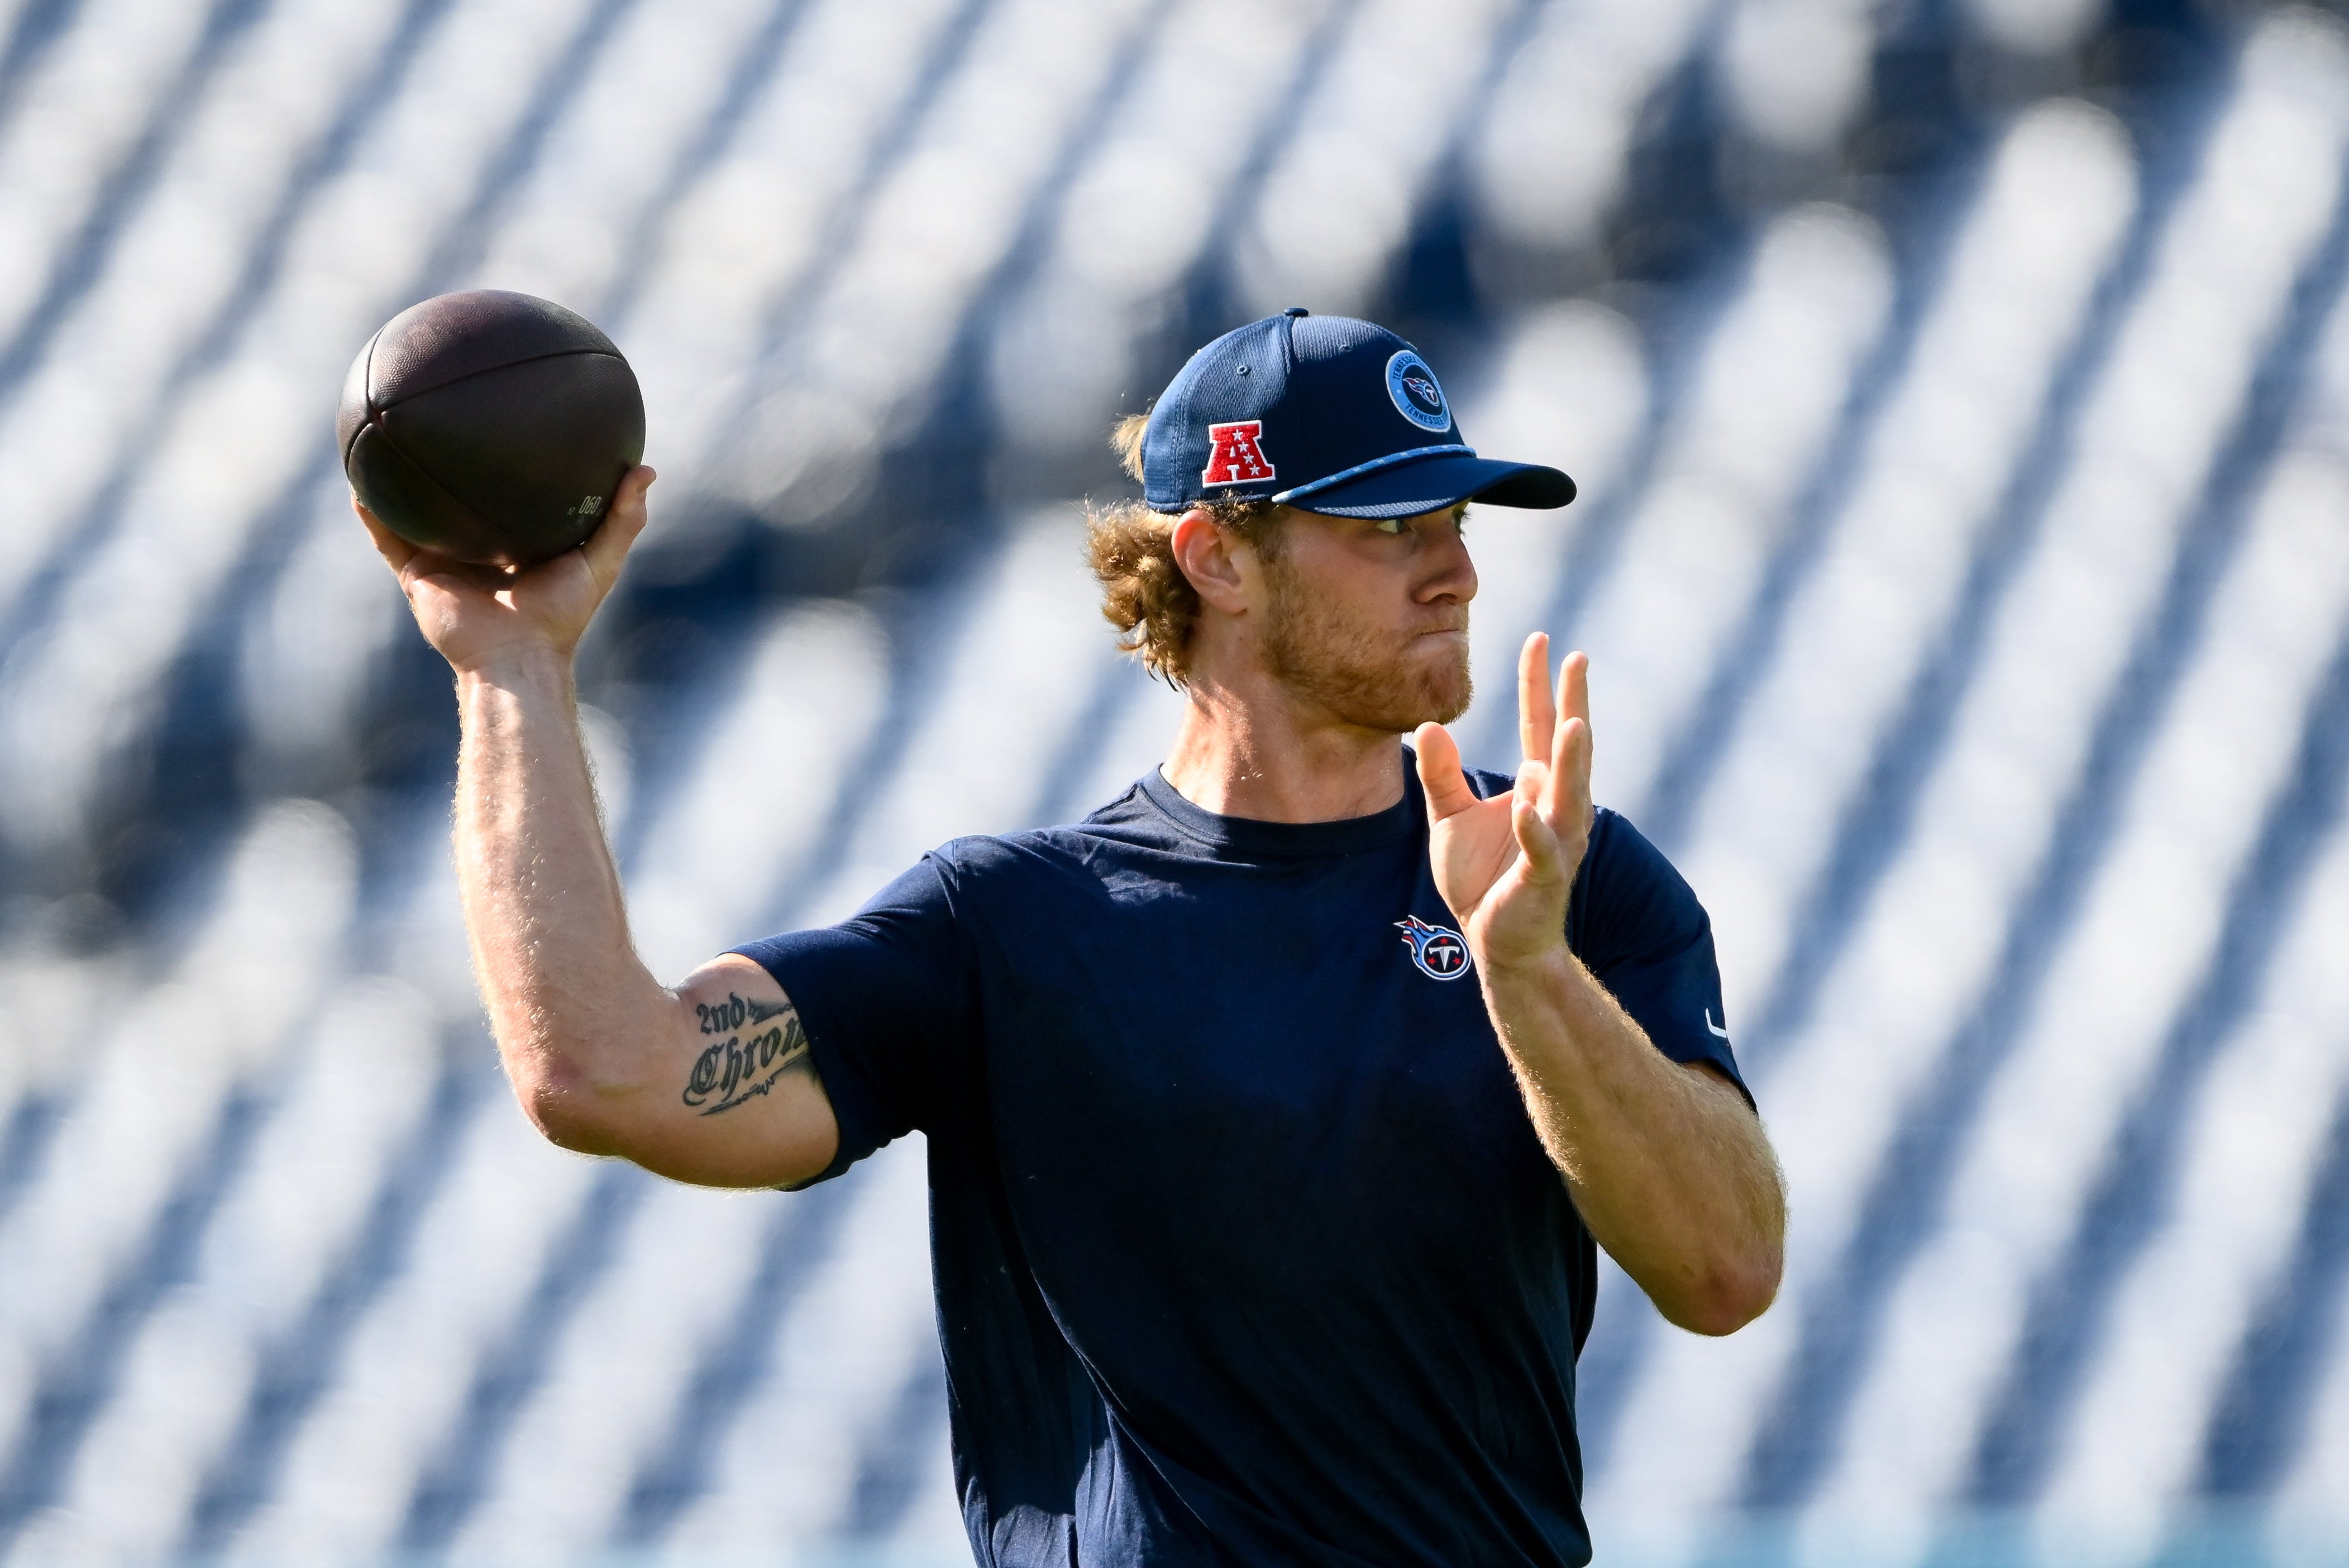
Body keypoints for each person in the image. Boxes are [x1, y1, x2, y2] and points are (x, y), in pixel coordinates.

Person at [363, 308, 1786, 1567]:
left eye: (1456, 524)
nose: (1455, 573)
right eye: (1386, 526)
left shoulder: (1562, 880)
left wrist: (1526, 972)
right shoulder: (1013, 927)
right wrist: (510, 673)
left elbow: (1724, 1273)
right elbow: (607, 1075)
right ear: (1218, 558)